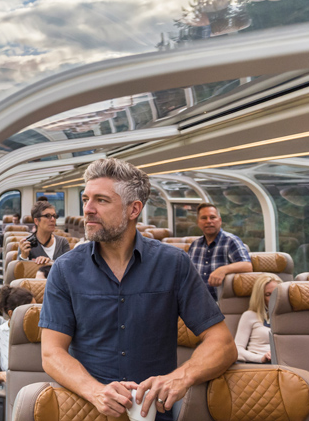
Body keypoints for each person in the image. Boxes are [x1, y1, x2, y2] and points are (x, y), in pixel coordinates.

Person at [39, 158, 237, 420]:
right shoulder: (65, 269)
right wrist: (96, 391)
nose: (88, 209)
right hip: (89, 411)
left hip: (156, 413)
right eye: (86, 199)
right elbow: (51, 353)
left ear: (134, 210)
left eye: (101, 200)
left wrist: (180, 377)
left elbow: (223, 344)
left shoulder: (172, 264)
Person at [186, 203, 252, 299]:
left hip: (222, 303)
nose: (208, 221)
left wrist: (222, 270)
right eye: (204, 218)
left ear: (220, 221)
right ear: (198, 222)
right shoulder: (195, 245)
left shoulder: (231, 241)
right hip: (197, 300)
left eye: (212, 217)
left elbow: (247, 266)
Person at [0, 286, 35, 384]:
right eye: (31, 311)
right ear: (11, 313)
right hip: (16, 386)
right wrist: (3, 375)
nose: (37, 314)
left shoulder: (44, 331)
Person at [234, 273, 281, 363]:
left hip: (284, 364)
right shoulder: (249, 315)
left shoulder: (288, 318)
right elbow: (237, 349)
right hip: (258, 364)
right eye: (268, 294)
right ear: (260, 297)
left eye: (276, 293)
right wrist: (261, 358)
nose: (273, 298)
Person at [17, 200, 72, 266]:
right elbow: (20, 272)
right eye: (47, 216)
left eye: (54, 216)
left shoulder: (62, 242)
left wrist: (50, 262)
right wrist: (24, 256)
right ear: (36, 221)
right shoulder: (26, 244)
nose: (53, 219)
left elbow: (68, 268)